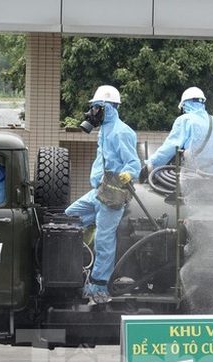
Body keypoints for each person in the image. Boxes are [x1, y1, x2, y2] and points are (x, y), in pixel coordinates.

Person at [65, 85, 141, 302]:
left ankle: (100, 286)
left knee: (104, 239)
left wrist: (128, 173)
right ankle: (77, 267)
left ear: (108, 107)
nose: (92, 112)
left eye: (96, 107)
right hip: (98, 191)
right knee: (69, 218)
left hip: (114, 192)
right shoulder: (105, 130)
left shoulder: (122, 131)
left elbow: (133, 162)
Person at [143, 87, 213, 175]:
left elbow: (170, 147)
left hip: (194, 173)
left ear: (185, 104)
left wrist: (152, 163)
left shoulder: (185, 120)